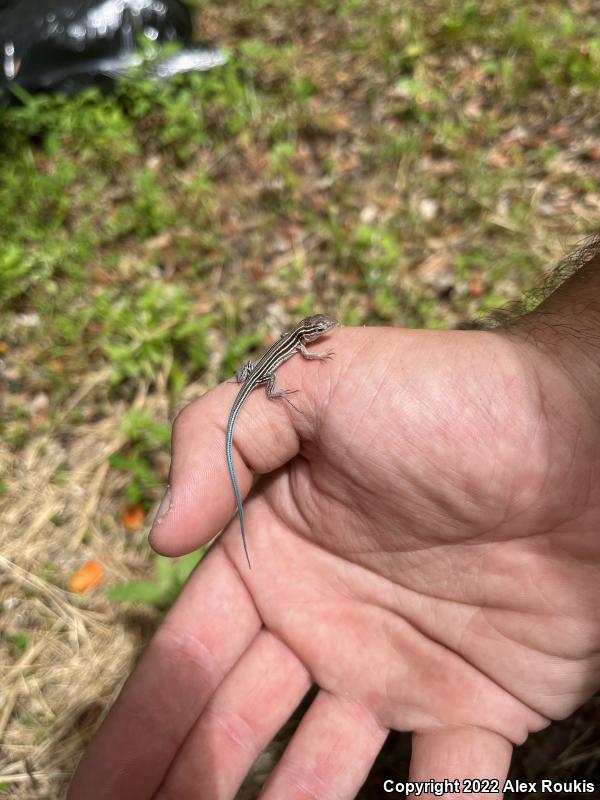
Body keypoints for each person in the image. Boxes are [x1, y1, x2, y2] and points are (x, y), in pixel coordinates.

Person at [68, 240, 600, 799]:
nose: (326, 332)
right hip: (260, 382)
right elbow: (274, 376)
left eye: (323, 330)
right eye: (321, 330)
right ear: (308, 334)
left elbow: (280, 364)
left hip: (257, 375)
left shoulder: (292, 348)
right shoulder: (292, 353)